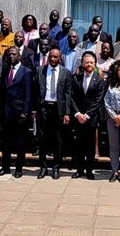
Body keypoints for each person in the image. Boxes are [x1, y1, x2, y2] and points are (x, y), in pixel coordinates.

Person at [35, 49, 72, 180]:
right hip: (43, 107)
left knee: (58, 139)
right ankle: (43, 167)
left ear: (60, 59)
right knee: (42, 138)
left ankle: (56, 168)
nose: (52, 59)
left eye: (55, 57)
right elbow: (35, 90)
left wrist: (67, 113)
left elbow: (68, 94)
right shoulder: (40, 70)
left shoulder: (66, 73)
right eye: (51, 57)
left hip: (58, 109)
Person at [0, 47, 33, 178]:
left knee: (20, 143)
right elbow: (2, 92)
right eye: (9, 54)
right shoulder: (5, 71)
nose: (11, 56)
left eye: (14, 54)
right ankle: (5, 167)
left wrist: (25, 112)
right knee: (5, 142)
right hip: (6, 111)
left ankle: (18, 168)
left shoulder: (26, 72)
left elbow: (28, 94)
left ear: (19, 56)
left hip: (19, 112)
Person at [69, 51, 106, 180]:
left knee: (90, 145)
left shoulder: (100, 81)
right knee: (79, 145)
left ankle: (89, 170)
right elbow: (71, 97)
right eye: (87, 62)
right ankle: (79, 169)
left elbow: (98, 100)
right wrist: (78, 113)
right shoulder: (75, 78)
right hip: (78, 117)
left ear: (95, 64)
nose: (89, 64)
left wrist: (87, 115)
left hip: (91, 119)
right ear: (83, 63)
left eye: (91, 62)